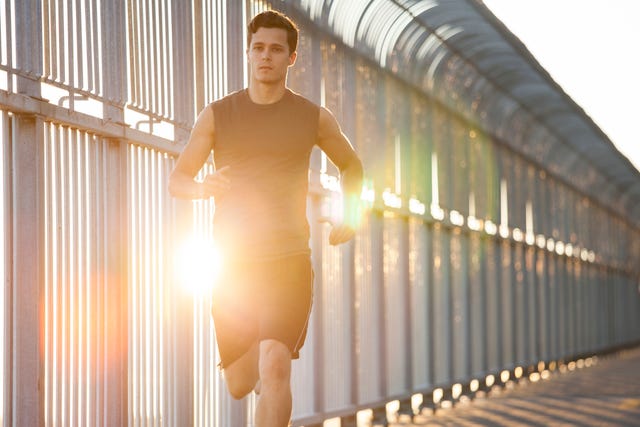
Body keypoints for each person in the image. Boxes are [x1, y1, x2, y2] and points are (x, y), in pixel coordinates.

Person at [168, 9, 363, 427]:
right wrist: (205, 187)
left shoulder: (311, 117)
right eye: (258, 48)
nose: (266, 57)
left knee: (275, 365)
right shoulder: (219, 115)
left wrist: (352, 213)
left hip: (288, 261)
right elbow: (178, 181)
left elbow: (352, 165)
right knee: (240, 382)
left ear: (291, 58)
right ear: (248, 53)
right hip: (234, 265)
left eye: (276, 49)